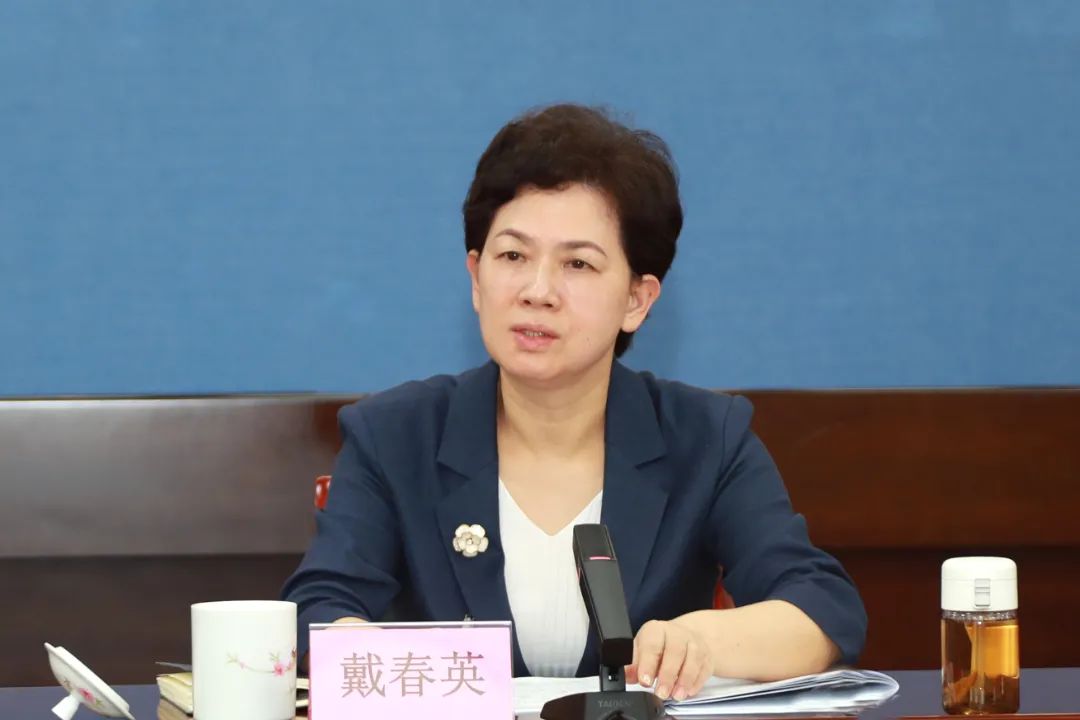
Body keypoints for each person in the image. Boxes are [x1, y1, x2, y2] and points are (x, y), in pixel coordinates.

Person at [282, 103, 866, 700]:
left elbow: (823, 608)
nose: (538, 291)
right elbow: (316, 610)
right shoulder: (395, 435)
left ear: (637, 300)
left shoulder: (705, 438)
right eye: (513, 256)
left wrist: (703, 640)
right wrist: (407, 670)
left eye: (578, 264)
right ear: (476, 277)